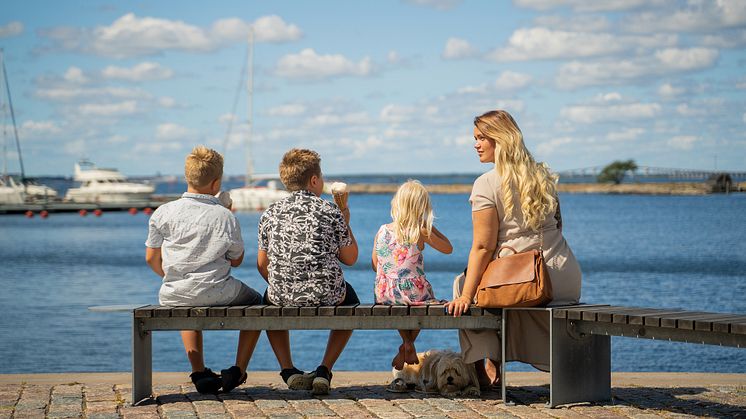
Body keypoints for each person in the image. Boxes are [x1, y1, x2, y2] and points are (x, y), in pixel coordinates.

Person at [445, 110, 582, 388]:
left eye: (482, 138)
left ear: (500, 139)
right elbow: (559, 226)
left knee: (464, 285)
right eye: (476, 138)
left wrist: (466, 297)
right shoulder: (542, 175)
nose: (476, 144)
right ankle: (496, 363)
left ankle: (483, 373)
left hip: (527, 281)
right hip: (564, 276)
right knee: (494, 287)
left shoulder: (486, 183)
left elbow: (483, 247)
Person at [145, 145, 263, 394]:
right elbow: (237, 260)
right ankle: (238, 370)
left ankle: (199, 372)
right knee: (257, 302)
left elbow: (151, 258)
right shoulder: (225, 216)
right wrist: (226, 214)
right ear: (216, 183)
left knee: (184, 301)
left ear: (187, 178)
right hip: (219, 290)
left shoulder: (163, 212)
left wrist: (172, 277)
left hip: (174, 292)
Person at [257, 148, 359, 395]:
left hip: (283, 295)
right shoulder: (330, 211)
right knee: (352, 300)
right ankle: (325, 369)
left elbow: (262, 264)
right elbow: (351, 258)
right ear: (314, 180)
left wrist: (285, 282)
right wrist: (345, 219)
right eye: (321, 176)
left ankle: (288, 370)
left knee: (267, 302)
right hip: (329, 294)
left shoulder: (270, 213)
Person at [372, 180, 452, 371]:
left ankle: (406, 343)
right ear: (422, 208)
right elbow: (448, 248)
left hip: (385, 293)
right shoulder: (421, 231)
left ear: (396, 204)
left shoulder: (382, 230)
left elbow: (376, 263)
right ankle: (408, 344)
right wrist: (428, 228)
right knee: (424, 299)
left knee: (400, 302)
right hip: (414, 293)